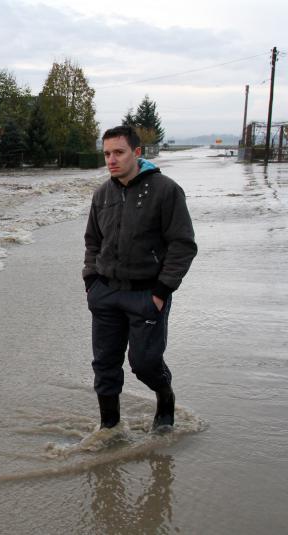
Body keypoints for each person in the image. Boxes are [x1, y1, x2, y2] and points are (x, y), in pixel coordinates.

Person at [83, 126, 197, 431]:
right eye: (106, 153)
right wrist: (90, 281)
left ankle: (165, 397)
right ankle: (109, 428)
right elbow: (93, 241)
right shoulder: (102, 194)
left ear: (137, 153)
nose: (111, 160)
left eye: (118, 152)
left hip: (146, 294)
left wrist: (162, 291)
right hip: (105, 292)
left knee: (145, 364)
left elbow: (182, 245)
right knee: (105, 365)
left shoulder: (165, 190)